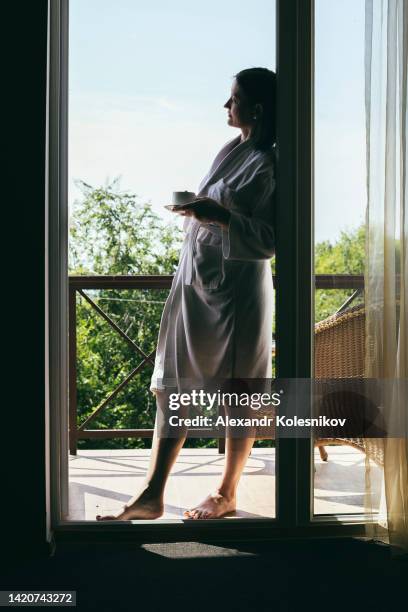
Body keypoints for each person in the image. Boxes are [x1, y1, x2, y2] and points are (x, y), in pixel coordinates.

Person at [96, 67, 277, 521]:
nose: (225, 105)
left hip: (237, 294)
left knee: (240, 393)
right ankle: (152, 493)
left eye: (232, 98)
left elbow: (272, 239)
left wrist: (219, 217)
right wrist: (199, 211)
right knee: (171, 384)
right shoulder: (230, 151)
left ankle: (226, 492)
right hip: (198, 284)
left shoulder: (272, 163)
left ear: (255, 108)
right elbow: (217, 210)